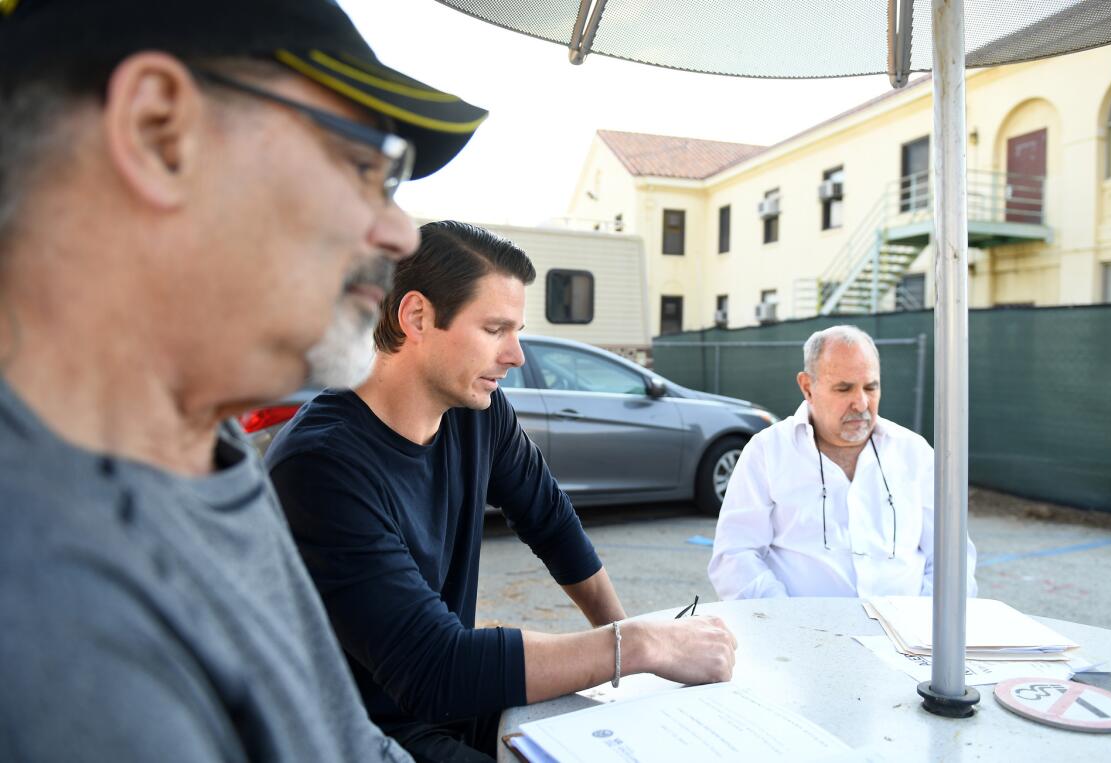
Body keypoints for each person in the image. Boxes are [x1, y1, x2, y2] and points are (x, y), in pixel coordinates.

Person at [0, 1, 488, 760]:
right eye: (369, 166)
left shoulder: (203, 449)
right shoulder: (48, 612)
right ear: (159, 133)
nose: (402, 235)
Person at [266, 221, 738, 762]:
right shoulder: (321, 465)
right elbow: (433, 666)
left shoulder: (476, 415)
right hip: (351, 731)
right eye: (496, 329)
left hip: (447, 703)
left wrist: (624, 634)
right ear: (416, 316)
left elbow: (551, 521)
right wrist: (638, 646)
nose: (515, 354)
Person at [708, 325, 977, 599]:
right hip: (799, 633)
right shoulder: (768, 452)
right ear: (807, 387)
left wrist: (924, 626)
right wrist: (785, 622)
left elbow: (952, 555)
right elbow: (735, 555)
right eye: (844, 389)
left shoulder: (914, 453)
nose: (861, 403)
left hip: (909, 636)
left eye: (871, 387)